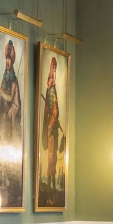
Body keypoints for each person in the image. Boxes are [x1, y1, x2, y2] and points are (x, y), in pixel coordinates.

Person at [0, 40, 23, 207]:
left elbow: (17, 104)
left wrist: (13, 110)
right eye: (6, 60)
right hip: (2, 120)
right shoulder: (4, 81)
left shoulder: (14, 82)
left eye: (10, 60)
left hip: (10, 123)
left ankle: (9, 183)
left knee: (8, 147)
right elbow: (0, 102)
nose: (8, 62)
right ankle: (0, 181)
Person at [38, 57, 67, 205]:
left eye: (55, 73)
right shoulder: (49, 90)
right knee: (49, 160)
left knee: (52, 160)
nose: (53, 76)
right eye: (52, 73)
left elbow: (55, 112)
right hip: (49, 130)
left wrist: (50, 124)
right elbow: (49, 111)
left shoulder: (52, 92)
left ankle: (52, 190)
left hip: (52, 131)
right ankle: (49, 189)